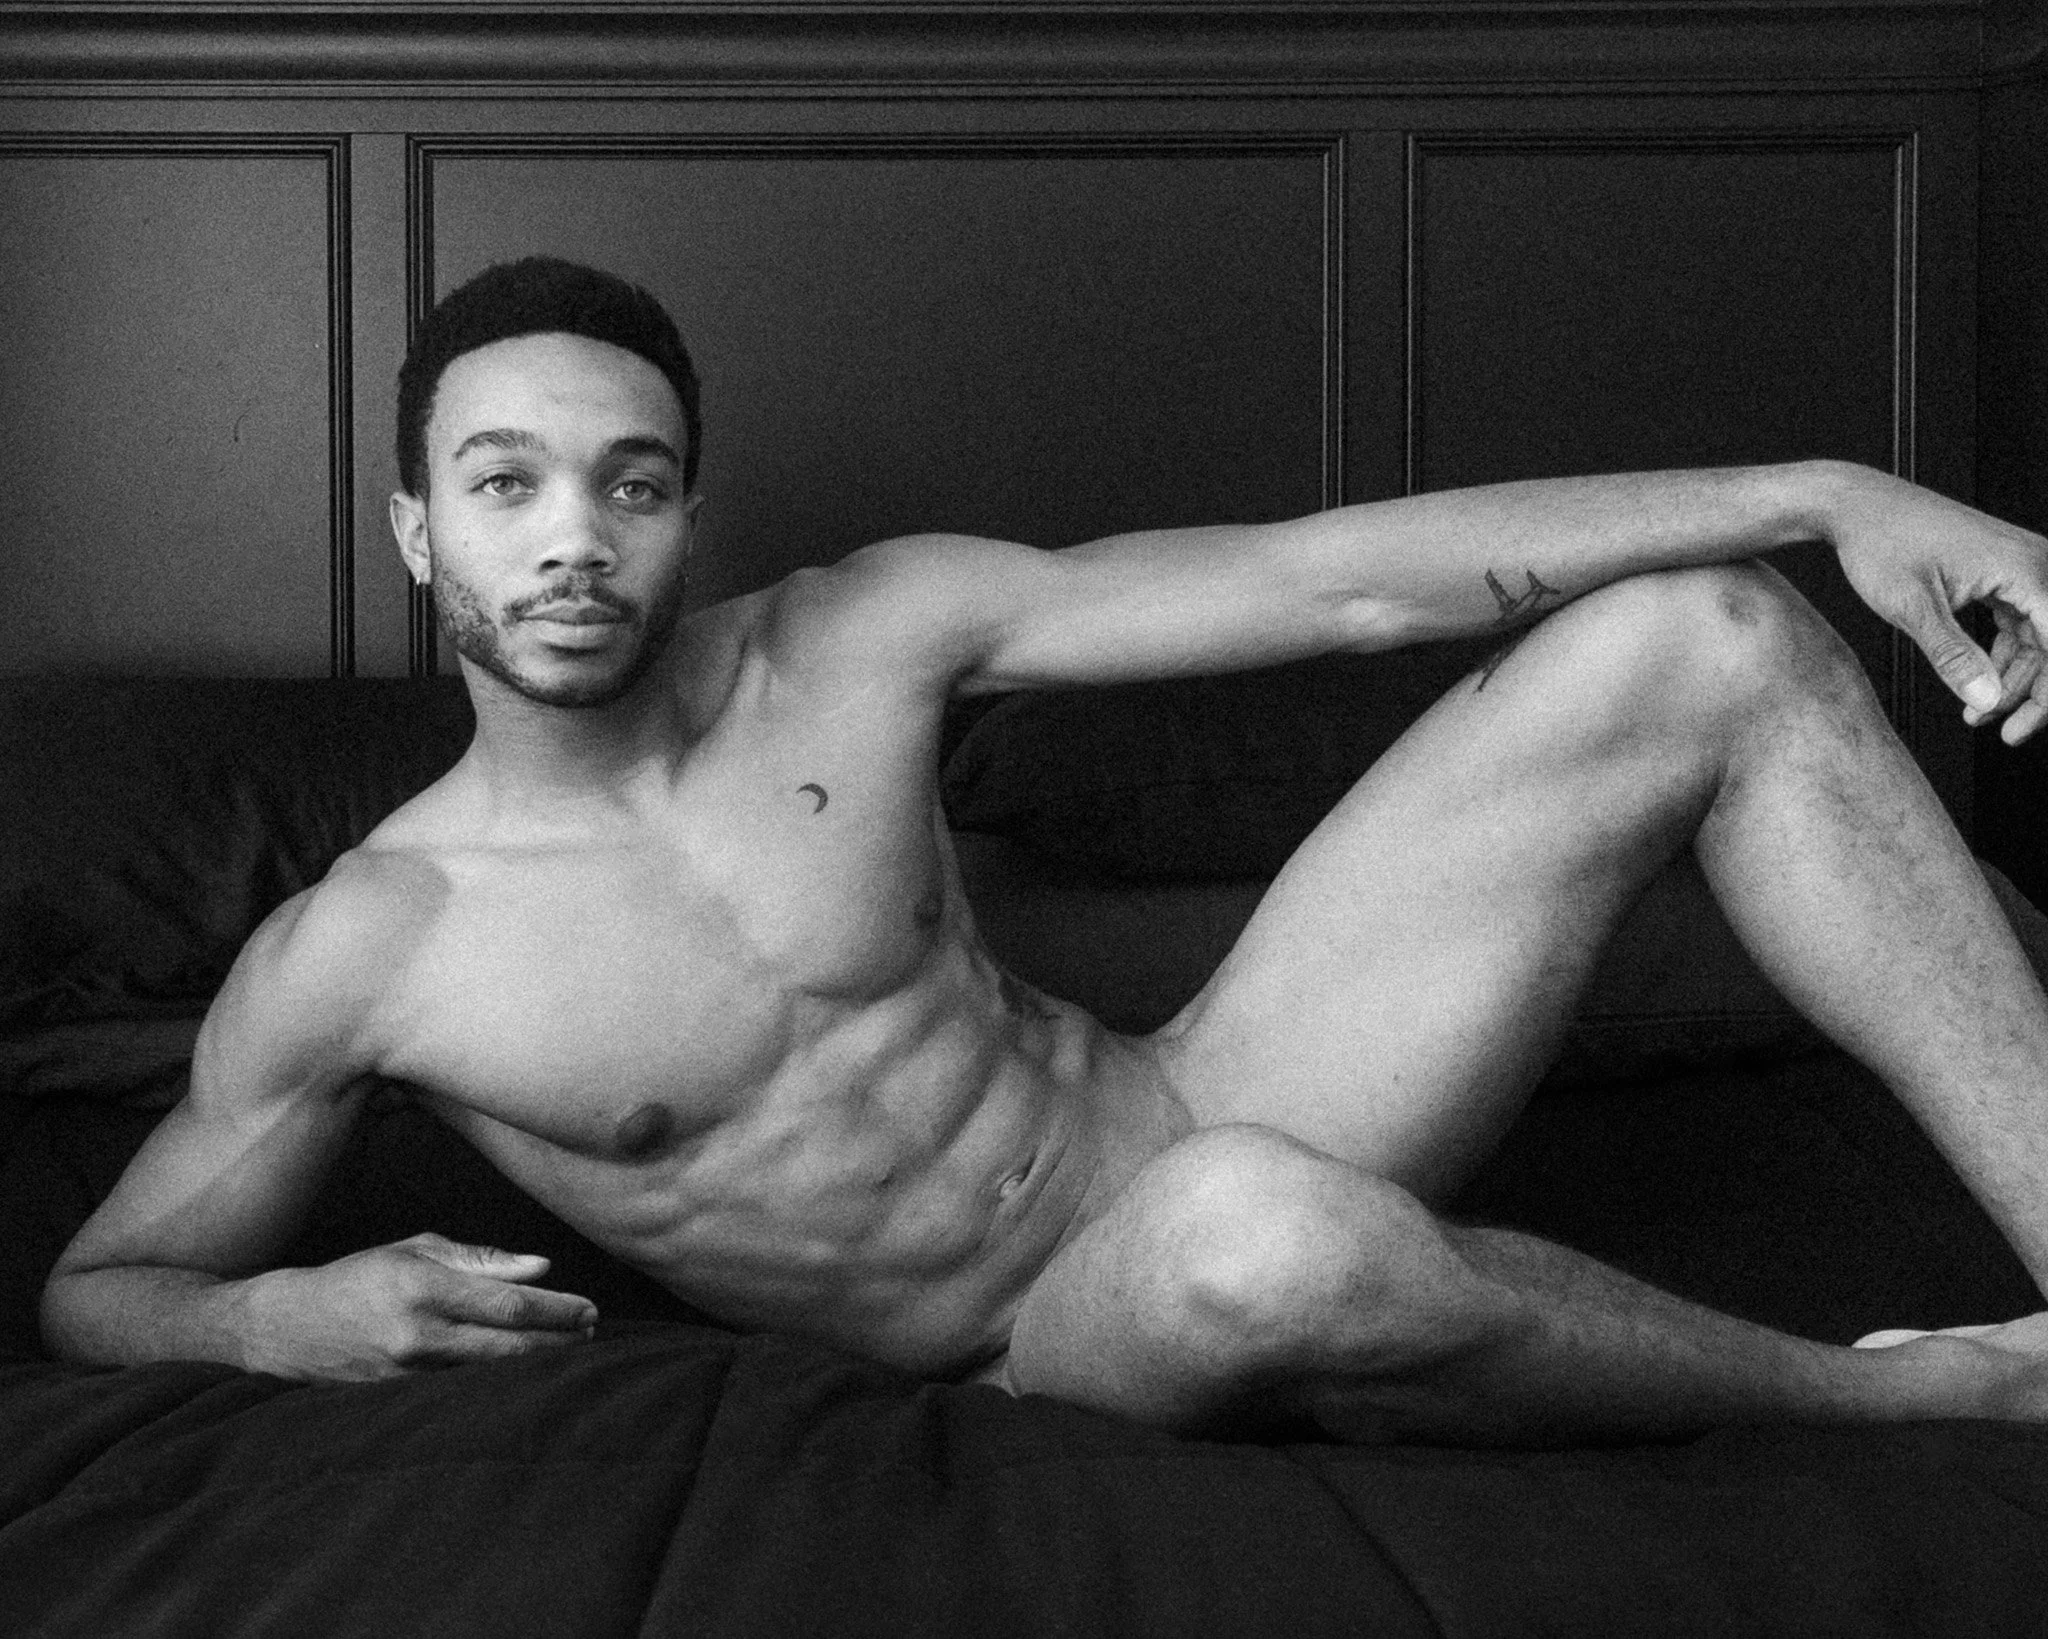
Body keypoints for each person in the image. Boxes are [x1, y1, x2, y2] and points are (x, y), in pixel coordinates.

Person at [38, 256, 2048, 1445]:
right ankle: (1924, 1395)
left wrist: (1825, 492)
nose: (574, 534)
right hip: (1054, 1328)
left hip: (1214, 1088)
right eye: (506, 486)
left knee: (1709, 635)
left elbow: (1332, 583)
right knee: (1261, 1234)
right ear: (420, 531)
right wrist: (262, 1319)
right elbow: (100, 1286)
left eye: (628, 484)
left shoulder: (855, 637)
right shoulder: (369, 948)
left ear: (684, 513)